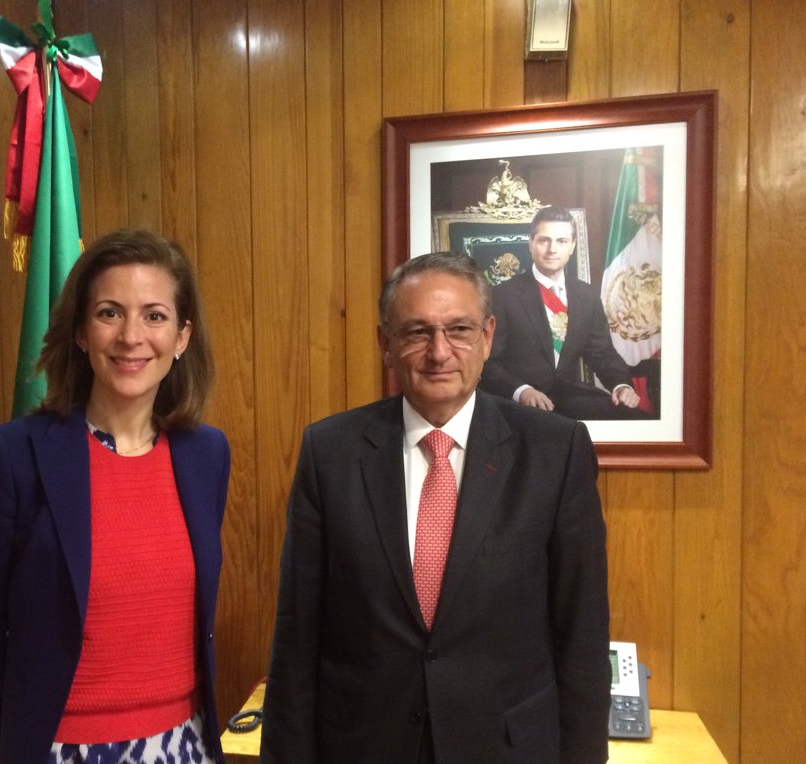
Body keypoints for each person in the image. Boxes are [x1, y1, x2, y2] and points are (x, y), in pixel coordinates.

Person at [261, 252, 610, 763]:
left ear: (488, 337)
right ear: (386, 344)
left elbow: (582, 637)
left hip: (507, 750)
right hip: (364, 748)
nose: (439, 352)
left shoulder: (556, 452)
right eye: (417, 332)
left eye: (459, 329)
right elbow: (297, 637)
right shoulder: (330, 452)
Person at [0, 229, 230, 764]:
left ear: (182, 337)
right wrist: (25, 726)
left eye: (154, 316)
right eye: (109, 313)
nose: (131, 336)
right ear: (80, 331)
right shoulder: (15, 455)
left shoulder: (206, 454)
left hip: (185, 743)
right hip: (63, 747)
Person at [480, 206, 644, 420]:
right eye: (544, 240)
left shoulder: (586, 295)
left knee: (637, 421)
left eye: (561, 241)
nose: (552, 249)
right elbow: (486, 361)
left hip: (571, 398)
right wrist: (522, 391)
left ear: (572, 246)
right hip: (518, 404)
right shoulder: (502, 295)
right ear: (530, 243)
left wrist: (621, 385)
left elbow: (602, 353)